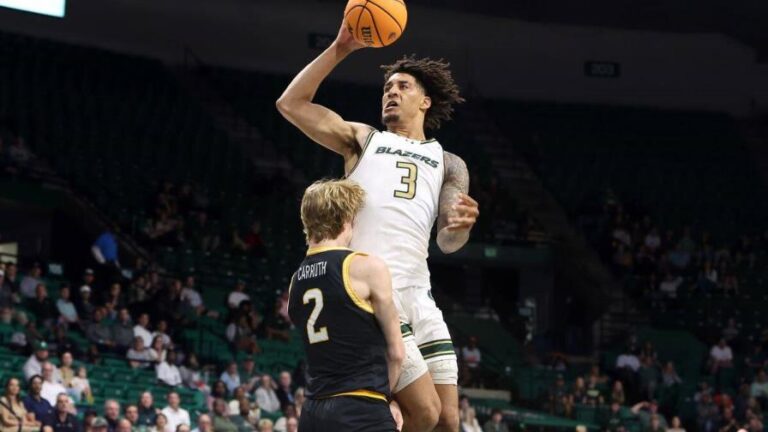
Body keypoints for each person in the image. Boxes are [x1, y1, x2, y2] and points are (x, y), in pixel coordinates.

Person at [277, 20, 479, 431]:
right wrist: (339, 48)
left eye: (403, 87)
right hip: (370, 291)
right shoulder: (363, 140)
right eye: (387, 88)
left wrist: (461, 226)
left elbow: (449, 240)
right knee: (424, 412)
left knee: (450, 421)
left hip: (419, 293)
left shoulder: (450, 163)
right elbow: (291, 104)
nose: (391, 92)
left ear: (425, 101)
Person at [286, 179, 405, 431]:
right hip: (361, 407)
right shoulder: (365, 267)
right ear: (345, 219)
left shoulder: (295, 281)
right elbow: (396, 353)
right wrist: (386, 400)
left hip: (312, 411)